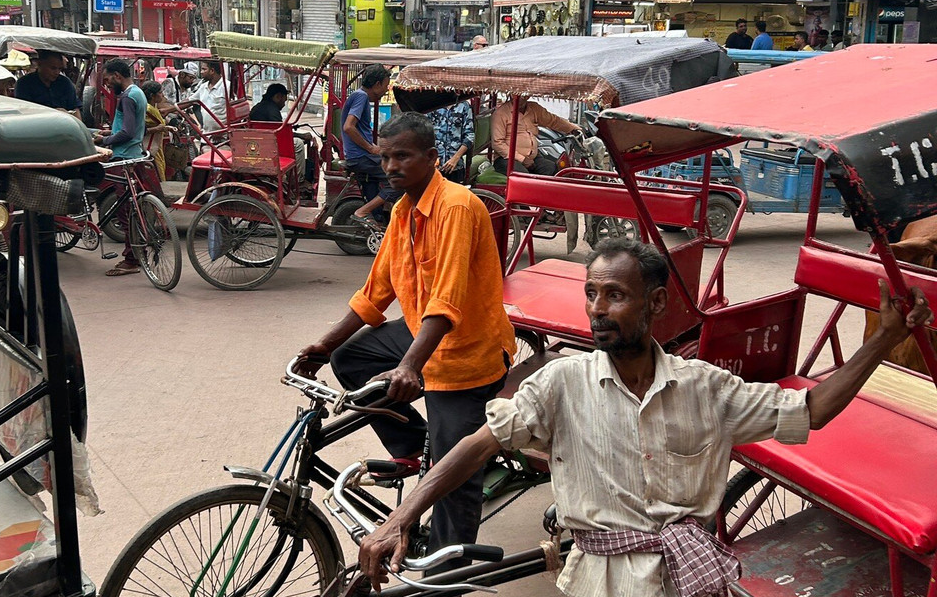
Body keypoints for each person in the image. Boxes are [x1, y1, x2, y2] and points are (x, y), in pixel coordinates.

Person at [358, 238, 932, 595]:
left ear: (656, 303)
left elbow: (814, 409)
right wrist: (402, 517)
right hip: (598, 580)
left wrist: (883, 340)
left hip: (687, 578)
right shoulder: (560, 383)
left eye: (614, 296)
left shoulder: (707, 389)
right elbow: (477, 445)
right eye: (591, 294)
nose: (597, 310)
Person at [295, 112, 516, 561]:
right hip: (423, 337)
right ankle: (415, 445)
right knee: (350, 360)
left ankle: (445, 576)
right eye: (385, 157)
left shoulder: (456, 206)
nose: (391, 166)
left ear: (432, 157)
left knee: (453, 480)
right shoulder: (401, 210)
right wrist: (325, 344)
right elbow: (376, 290)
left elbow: (446, 300)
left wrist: (410, 365)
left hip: (466, 355)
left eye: (403, 156)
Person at [94, 59, 156, 277]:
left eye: (108, 79)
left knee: (126, 213)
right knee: (134, 211)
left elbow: (128, 132)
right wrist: (110, 133)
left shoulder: (128, 97)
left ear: (117, 76)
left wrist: (104, 141)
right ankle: (138, 255)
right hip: (135, 156)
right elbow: (136, 128)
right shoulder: (138, 93)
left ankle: (131, 259)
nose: (108, 84)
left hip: (124, 159)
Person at [342, 64, 402, 224]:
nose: (386, 91)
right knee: (400, 179)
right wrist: (370, 148)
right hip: (361, 157)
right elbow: (348, 127)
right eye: (385, 86)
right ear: (377, 84)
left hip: (360, 156)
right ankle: (362, 211)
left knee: (374, 185)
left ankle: (376, 218)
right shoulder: (361, 96)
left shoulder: (358, 95)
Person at [490, 97, 582, 176]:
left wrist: (573, 129)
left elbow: (553, 121)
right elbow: (498, 143)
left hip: (532, 157)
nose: (520, 97)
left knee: (551, 169)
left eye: (523, 95)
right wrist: (522, 159)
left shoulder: (533, 108)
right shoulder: (501, 113)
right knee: (522, 176)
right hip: (507, 158)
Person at [13, 50, 83, 117]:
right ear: (39, 64)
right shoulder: (24, 83)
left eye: (60, 69)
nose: (57, 72)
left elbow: (75, 108)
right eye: (53, 68)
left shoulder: (65, 83)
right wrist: (53, 112)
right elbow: (23, 112)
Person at [427, 100, 474, 183]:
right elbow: (424, 134)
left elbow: (470, 136)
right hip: (434, 165)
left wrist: (455, 158)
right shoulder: (432, 105)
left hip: (456, 166)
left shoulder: (464, 106)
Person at [141, 81, 176, 181]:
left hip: (156, 145)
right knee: (158, 172)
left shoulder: (152, 107)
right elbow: (156, 125)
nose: (163, 95)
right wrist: (160, 128)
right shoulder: (148, 109)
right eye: (160, 92)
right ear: (152, 95)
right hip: (151, 147)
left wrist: (167, 128)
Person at [196, 59, 227, 133]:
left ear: (212, 71)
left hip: (222, 135)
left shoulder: (227, 86)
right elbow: (189, 101)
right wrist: (172, 108)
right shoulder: (203, 87)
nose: (201, 72)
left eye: (204, 69)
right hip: (206, 134)